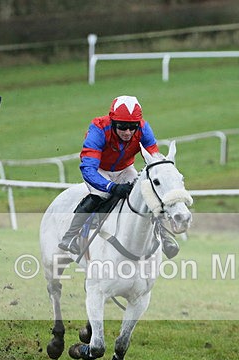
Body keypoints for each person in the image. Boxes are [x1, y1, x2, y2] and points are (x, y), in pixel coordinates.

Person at [58, 95, 179, 258]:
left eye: (132, 127)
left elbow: (154, 158)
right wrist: (111, 187)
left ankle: (164, 236)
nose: (128, 132)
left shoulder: (143, 128)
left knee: (146, 193)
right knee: (102, 194)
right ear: (113, 122)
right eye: (122, 126)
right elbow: (88, 168)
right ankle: (70, 236)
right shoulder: (99, 128)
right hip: (98, 169)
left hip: (125, 168)